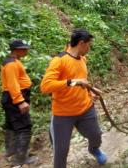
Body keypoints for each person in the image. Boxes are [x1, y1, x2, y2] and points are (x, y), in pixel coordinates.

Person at [41, 29, 107, 168]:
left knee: (96, 135)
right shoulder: (59, 61)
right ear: (81, 43)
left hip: (85, 109)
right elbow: (45, 86)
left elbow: (83, 81)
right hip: (63, 114)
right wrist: (72, 82)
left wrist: (90, 93)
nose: (89, 48)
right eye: (89, 45)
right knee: (61, 151)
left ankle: (93, 149)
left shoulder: (83, 59)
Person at [0, 39, 38, 167]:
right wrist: (20, 101)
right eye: (23, 49)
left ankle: (10, 154)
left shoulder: (13, 62)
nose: (26, 51)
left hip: (11, 99)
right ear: (16, 50)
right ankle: (20, 159)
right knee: (24, 127)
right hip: (14, 99)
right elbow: (12, 84)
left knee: (12, 126)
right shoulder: (11, 64)